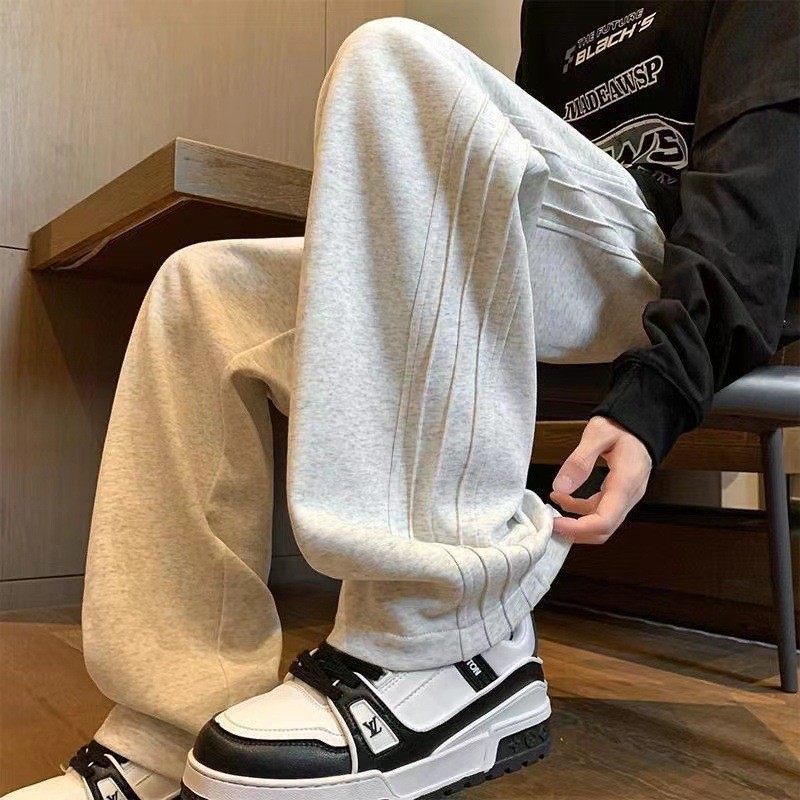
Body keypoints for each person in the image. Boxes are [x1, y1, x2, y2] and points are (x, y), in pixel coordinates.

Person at [6, 3, 798, 800]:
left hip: (680, 261)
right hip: (564, 256)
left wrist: (662, 386)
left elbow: (758, 182)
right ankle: (167, 726)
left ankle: (446, 632)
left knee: (394, 59)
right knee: (206, 290)